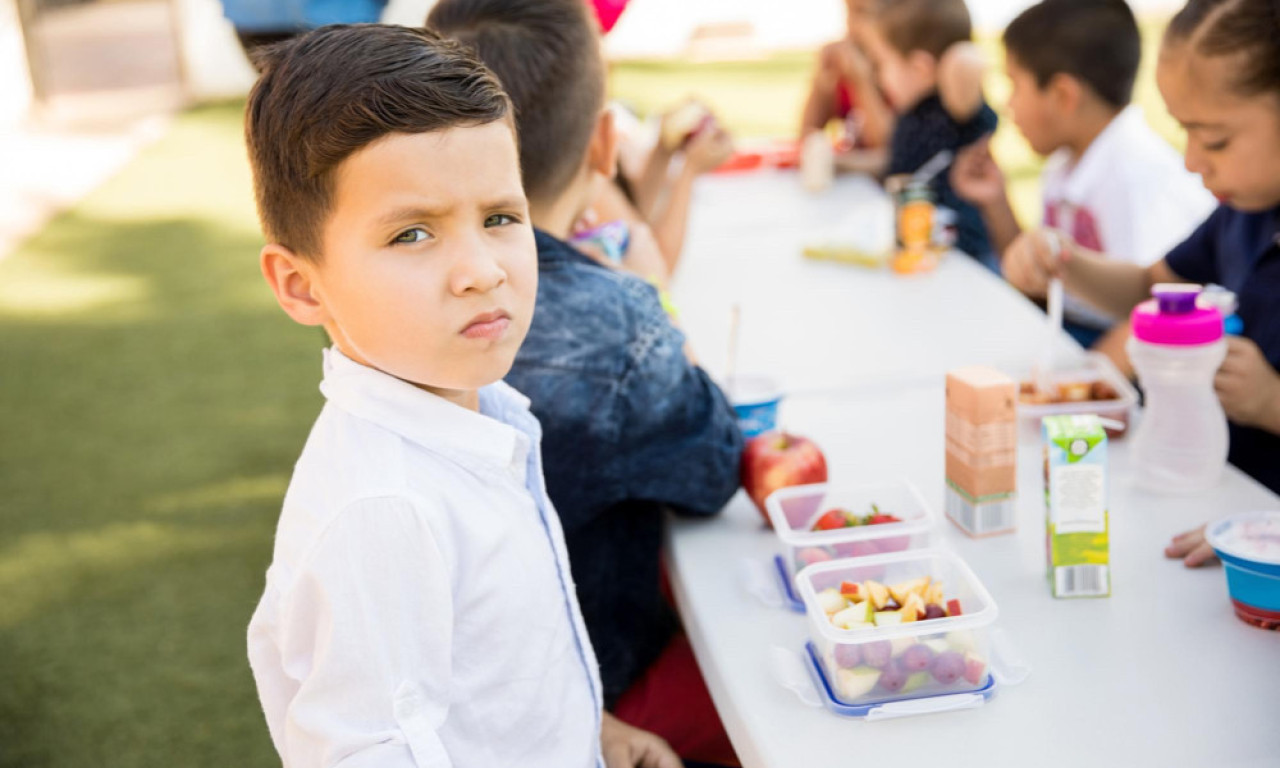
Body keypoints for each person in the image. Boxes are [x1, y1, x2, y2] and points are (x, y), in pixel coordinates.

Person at [241, 24, 667, 768]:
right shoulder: (384, 509)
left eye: (501, 217)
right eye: (412, 234)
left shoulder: (484, 410)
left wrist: (591, 732)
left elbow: (492, 671)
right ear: (302, 284)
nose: (481, 269)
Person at [428, 1, 745, 765]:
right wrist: (651, 296)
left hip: (452, 689)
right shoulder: (616, 321)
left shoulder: (391, 301)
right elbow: (716, 467)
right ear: (605, 143)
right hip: (588, 690)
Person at [997, 0, 1280, 559]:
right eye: (1185, 132)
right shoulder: (1246, 212)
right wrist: (1068, 261)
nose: (1192, 161)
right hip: (1208, 501)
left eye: (1216, 139)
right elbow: (1153, 288)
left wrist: (1272, 402)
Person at [951, 0, 1215, 372]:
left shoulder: (1136, 177)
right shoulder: (1066, 162)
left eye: (1015, 85)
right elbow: (1039, 276)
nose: (1008, 104)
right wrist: (996, 201)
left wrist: (1080, 387)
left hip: (1133, 363)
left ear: (1063, 95)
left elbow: (1156, 314)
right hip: (1077, 333)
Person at [860, 0, 1000, 268]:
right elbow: (897, 165)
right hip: (920, 251)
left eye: (881, 64)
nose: (879, 78)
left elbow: (966, 65)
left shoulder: (954, 110)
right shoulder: (911, 114)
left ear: (920, 68)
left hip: (965, 259)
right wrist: (842, 164)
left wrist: (955, 54)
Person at [798, 0, 894, 160]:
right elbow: (807, 136)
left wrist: (861, 82)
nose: (851, 24)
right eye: (849, 13)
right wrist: (822, 84)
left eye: (863, 13)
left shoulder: (900, 73)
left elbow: (889, 146)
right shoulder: (846, 65)